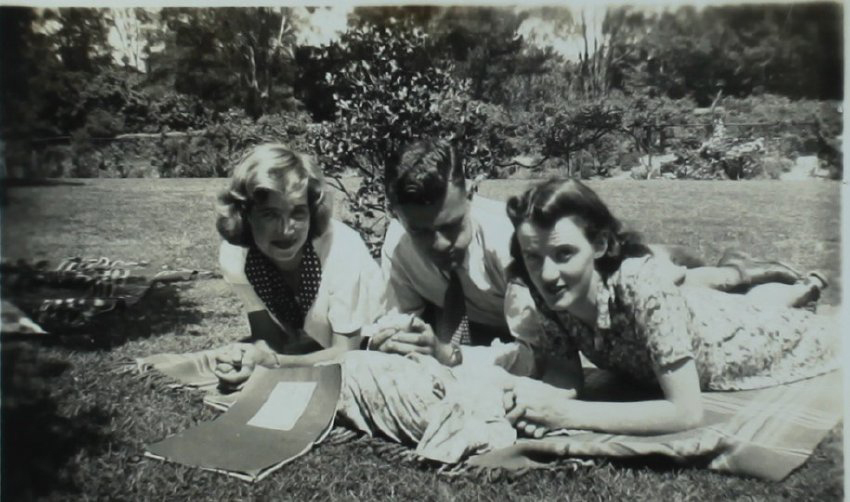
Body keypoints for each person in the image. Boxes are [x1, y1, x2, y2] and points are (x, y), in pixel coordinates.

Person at [368, 138, 807, 375]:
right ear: (396, 216)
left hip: (605, 276)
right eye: (421, 231)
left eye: (451, 226)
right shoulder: (398, 246)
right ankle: (740, 276)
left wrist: (450, 355)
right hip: (519, 310)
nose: (439, 244)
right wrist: (397, 338)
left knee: (670, 275)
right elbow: (395, 322)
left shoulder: (515, 246)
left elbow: (536, 355)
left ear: (470, 195)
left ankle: (735, 272)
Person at [499, 178, 837, 436]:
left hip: (740, 342)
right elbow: (565, 374)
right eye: (533, 257)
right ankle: (791, 290)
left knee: (808, 330)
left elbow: (686, 412)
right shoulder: (548, 294)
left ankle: (801, 289)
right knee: (746, 305)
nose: (547, 274)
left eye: (564, 254)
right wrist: (535, 400)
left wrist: (566, 415)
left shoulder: (641, 286)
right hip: (703, 312)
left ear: (599, 244)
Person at [212, 144, 383, 388]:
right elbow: (268, 338)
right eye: (270, 214)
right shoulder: (235, 257)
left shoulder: (343, 248)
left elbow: (347, 355)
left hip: (374, 354)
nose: (286, 229)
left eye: (298, 212)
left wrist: (272, 363)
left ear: (313, 212)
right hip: (313, 352)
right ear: (245, 214)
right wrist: (247, 360)